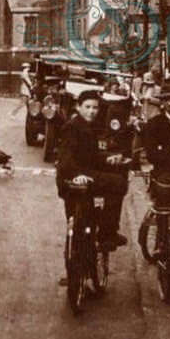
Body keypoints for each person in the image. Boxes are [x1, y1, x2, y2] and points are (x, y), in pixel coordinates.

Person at [56, 89, 130, 251]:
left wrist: (108, 158)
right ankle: (107, 233)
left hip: (81, 174)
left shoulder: (84, 125)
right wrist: (78, 175)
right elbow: (65, 159)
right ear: (78, 107)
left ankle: (96, 236)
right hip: (73, 178)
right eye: (88, 107)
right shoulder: (72, 127)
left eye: (95, 108)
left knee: (84, 222)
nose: (92, 111)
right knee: (119, 183)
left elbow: (89, 156)